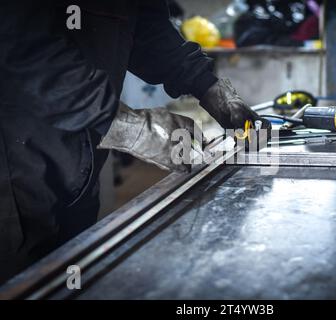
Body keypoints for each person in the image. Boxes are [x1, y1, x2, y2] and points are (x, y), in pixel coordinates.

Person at [0, 0, 268, 284]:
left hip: (82, 152)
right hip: (14, 160)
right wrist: (127, 125)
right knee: (23, 278)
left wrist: (206, 85)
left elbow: (148, 30)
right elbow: (18, 46)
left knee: (68, 272)